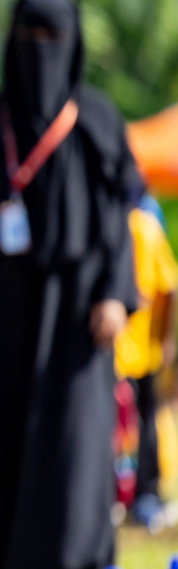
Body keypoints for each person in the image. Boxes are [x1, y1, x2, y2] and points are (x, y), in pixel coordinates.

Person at [0, 0, 141, 569]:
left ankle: (71, 562)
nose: (39, 54)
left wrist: (114, 294)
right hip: (1, 310)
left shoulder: (97, 121)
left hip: (80, 313)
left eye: (52, 40)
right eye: (29, 39)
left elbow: (117, 223)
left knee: (73, 435)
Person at [114, 189, 176, 532]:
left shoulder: (144, 227)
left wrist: (166, 341)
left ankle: (145, 493)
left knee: (143, 424)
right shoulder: (140, 225)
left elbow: (168, 288)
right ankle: (129, 494)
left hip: (137, 350)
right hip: (125, 350)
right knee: (128, 426)